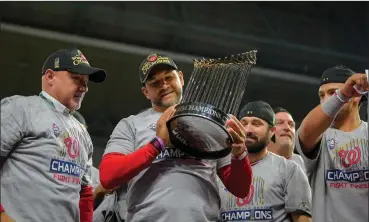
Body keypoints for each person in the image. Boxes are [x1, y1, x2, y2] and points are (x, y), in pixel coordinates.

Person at [99, 53, 253, 222]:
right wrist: (157, 145)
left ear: (181, 77)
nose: (164, 85)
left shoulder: (207, 121)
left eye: (168, 77)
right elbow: (108, 176)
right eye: (155, 83)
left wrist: (240, 154)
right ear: (146, 92)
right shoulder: (131, 124)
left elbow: (240, 189)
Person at [1, 48, 106, 222]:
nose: (84, 88)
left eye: (86, 82)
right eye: (76, 78)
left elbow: (85, 193)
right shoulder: (20, 109)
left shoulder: (82, 133)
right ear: (50, 76)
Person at [296, 65, 368, 222]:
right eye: (321, 95)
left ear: (356, 96)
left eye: (332, 92)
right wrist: (342, 95)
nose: (326, 100)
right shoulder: (319, 134)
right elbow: (305, 132)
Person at [219, 101, 312, 222]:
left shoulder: (289, 169)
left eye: (257, 124)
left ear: (272, 131)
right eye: (244, 123)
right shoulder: (222, 168)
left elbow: (302, 219)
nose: (248, 130)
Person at [268, 107, 305, 172]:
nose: (287, 127)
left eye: (291, 125)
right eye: (279, 123)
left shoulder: (306, 165)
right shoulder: (252, 163)